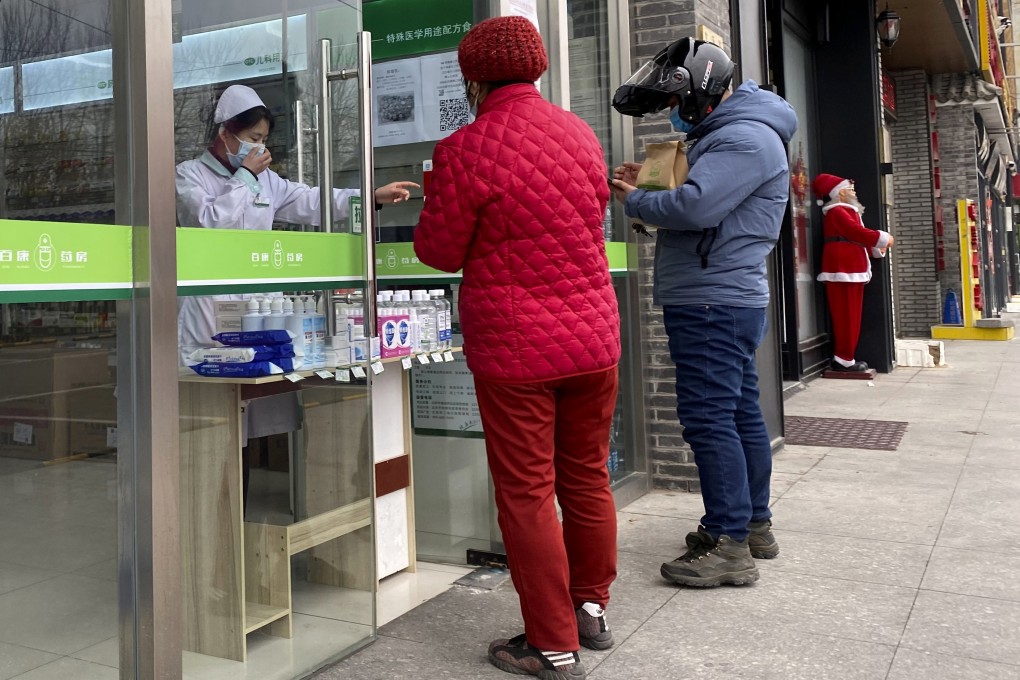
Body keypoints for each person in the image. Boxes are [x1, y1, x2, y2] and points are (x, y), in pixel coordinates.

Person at [413, 16, 620, 680]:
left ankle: (552, 645)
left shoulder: (466, 148)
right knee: (587, 477)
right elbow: (589, 217)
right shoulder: (580, 133)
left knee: (528, 492)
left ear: (472, 79)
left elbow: (439, 251)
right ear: (537, 67)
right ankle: (590, 609)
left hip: (517, 347)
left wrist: (434, 196)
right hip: (594, 338)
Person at [610, 38, 797, 587]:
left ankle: (728, 543)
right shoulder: (734, 133)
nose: (673, 110)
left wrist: (634, 199)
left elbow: (696, 207)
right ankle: (751, 525)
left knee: (709, 418)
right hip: (721, 296)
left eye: (675, 100)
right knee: (737, 414)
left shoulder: (743, 137)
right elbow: (703, 196)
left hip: (711, 300)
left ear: (701, 89)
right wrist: (649, 181)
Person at [176, 84, 418, 353]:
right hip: (209, 303)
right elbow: (210, 222)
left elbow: (312, 201)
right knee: (209, 365)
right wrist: (245, 176)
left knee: (262, 366)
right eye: (253, 138)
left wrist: (371, 197)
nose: (259, 147)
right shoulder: (189, 175)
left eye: (263, 140)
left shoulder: (266, 180)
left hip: (259, 302)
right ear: (224, 133)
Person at [812, 173, 894, 372]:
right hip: (844, 268)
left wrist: (876, 248)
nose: (854, 193)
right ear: (840, 193)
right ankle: (843, 358)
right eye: (850, 189)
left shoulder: (845, 211)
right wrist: (882, 239)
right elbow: (855, 232)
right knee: (847, 316)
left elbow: (855, 236)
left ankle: (846, 356)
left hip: (850, 268)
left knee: (851, 315)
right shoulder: (838, 211)